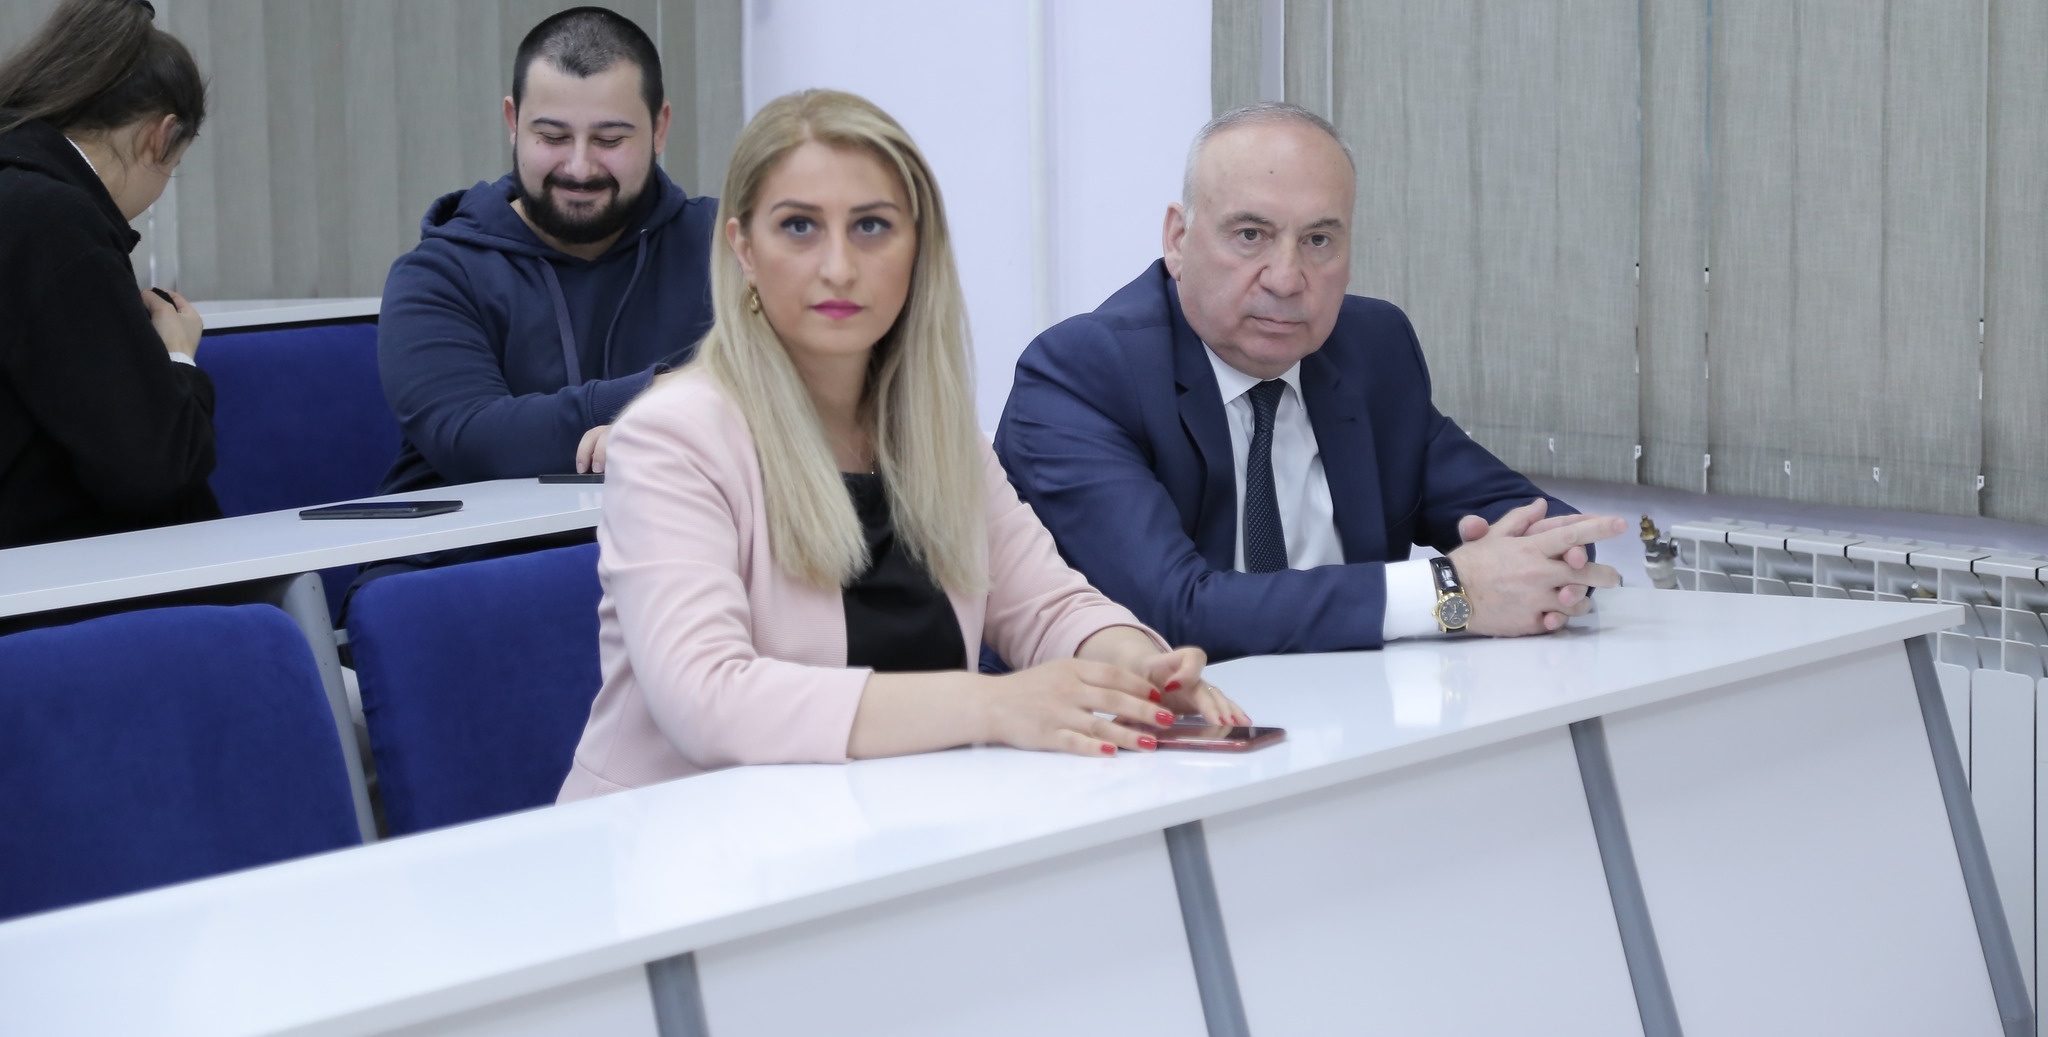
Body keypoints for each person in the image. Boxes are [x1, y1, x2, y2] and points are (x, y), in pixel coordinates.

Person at [560, 90, 1242, 798]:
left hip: (890, 827)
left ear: (917, 248)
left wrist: (1137, 669)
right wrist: (991, 704)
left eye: (871, 226)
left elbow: (1045, 604)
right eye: (798, 226)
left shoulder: (936, 432)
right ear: (744, 250)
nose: (838, 266)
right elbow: (709, 699)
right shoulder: (672, 436)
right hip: (677, 843)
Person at [994, 102, 1625, 662]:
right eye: (1251, 235)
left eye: (1319, 240)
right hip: (1131, 735)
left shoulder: (1371, 347)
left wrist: (1549, 560)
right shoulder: (1083, 373)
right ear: (1179, 241)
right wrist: (1449, 593)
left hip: (1350, 720)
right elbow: (1171, 613)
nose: (1287, 278)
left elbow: (1527, 517)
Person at [377, 7, 717, 494]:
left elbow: (799, 391)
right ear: (513, 122)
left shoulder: (728, 248)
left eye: (609, 139)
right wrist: (657, 395)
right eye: (552, 137)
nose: (579, 167)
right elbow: (472, 439)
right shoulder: (438, 275)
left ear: (660, 128)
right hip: (484, 540)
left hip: (688, 526)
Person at [0, 0, 217, 548]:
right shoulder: (53, 223)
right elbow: (152, 469)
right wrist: (178, 356)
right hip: (56, 573)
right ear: (160, 136)